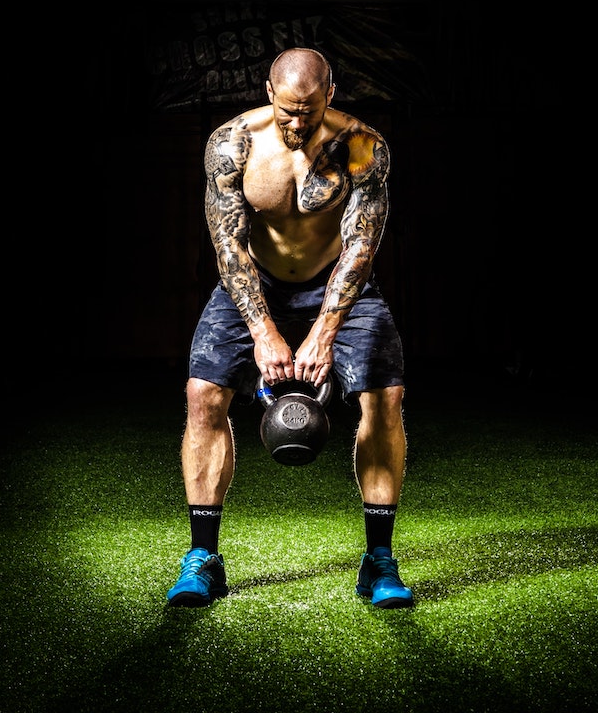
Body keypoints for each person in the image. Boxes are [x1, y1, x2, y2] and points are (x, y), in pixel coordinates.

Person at [166, 47, 413, 609]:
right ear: (269, 91)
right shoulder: (234, 144)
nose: (298, 122)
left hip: (337, 285)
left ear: (331, 94)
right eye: (288, 110)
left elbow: (361, 246)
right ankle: (203, 558)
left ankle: (378, 561)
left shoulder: (358, 147)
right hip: (255, 284)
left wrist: (325, 331)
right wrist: (263, 330)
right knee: (204, 396)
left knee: (386, 397)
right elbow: (228, 245)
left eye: (310, 109)